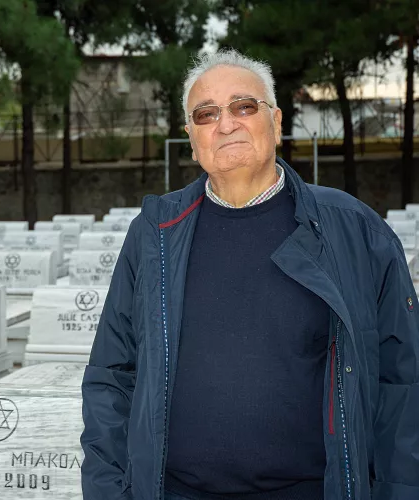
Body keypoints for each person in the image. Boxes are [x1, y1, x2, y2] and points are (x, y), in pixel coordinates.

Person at [80, 48, 419, 500]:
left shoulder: (355, 229)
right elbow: (111, 375)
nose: (226, 124)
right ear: (190, 136)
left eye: (244, 106)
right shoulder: (155, 233)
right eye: (206, 114)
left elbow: (404, 385)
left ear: (276, 121)